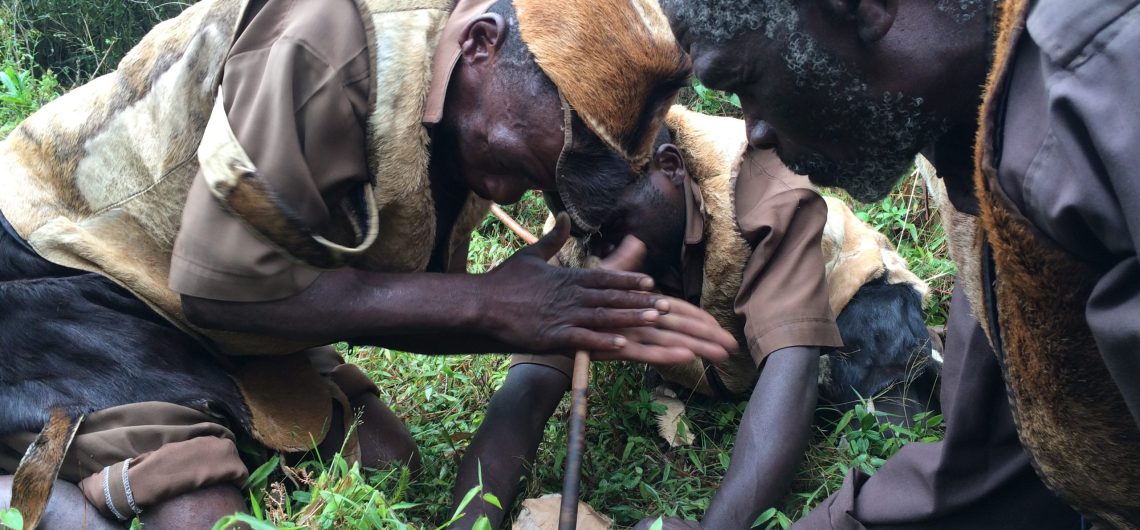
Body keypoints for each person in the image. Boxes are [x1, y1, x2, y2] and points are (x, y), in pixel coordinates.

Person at [0, 0, 739, 527]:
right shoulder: (324, 37)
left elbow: (412, 299)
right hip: (67, 270)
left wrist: (527, 315)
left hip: (229, 309)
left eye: (542, 186)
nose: (511, 192)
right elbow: (216, 294)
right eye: (523, 163)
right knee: (200, 513)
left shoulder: (477, 113)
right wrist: (487, 304)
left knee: (389, 465)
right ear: (482, 44)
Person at [649, 0, 1140, 528]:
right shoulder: (975, 146)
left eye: (745, 81)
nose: (755, 131)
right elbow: (992, 467)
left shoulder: (1102, 93)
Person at [450, 107, 940, 528]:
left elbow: (791, 367)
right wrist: (470, 520)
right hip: (734, 357)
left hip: (849, 304)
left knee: (886, 411)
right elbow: (527, 389)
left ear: (671, 168)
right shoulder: (581, 231)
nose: (605, 254)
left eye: (615, 228)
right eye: (590, 236)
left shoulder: (760, 182)